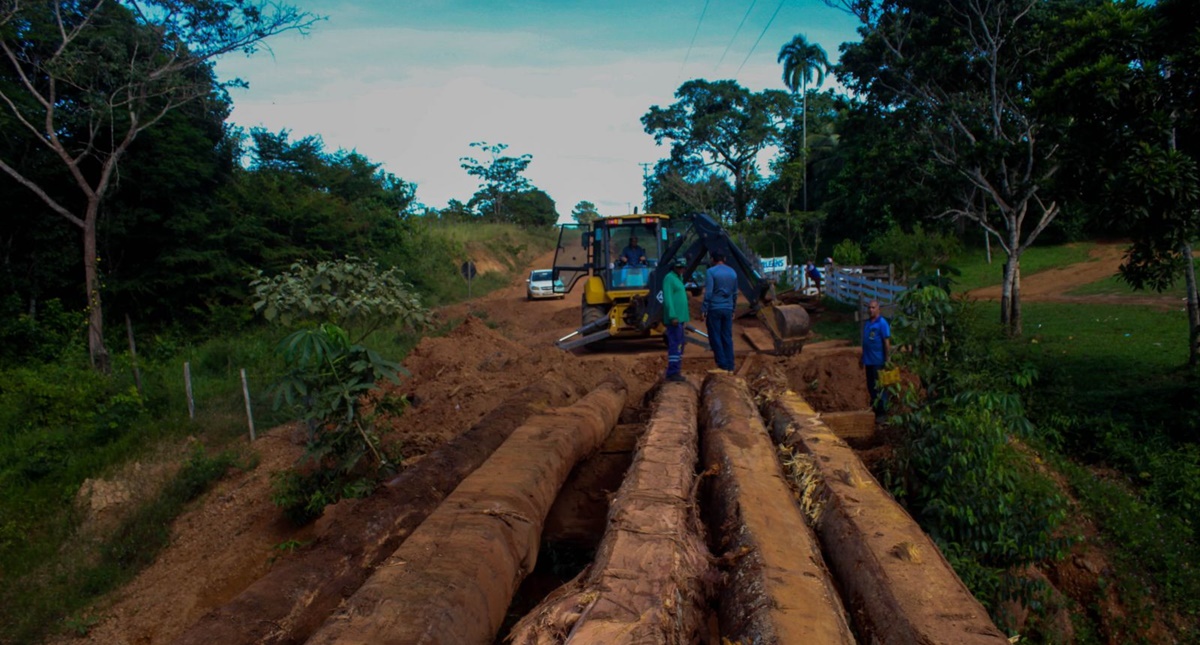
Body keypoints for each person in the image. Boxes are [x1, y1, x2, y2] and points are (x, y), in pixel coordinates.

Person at [702, 251, 738, 372]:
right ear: (724, 259)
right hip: (728, 308)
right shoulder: (732, 272)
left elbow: (708, 292)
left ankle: (722, 365)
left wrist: (704, 308)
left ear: (712, 259)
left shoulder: (711, 272)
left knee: (715, 336)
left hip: (715, 308)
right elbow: (735, 293)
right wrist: (733, 308)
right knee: (727, 336)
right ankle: (730, 365)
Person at [861, 299, 892, 418]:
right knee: (870, 386)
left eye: (873, 308)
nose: (871, 310)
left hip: (878, 361)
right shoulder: (868, 323)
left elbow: (886, 342)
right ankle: (875, 407)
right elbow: (866, 342)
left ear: (879, 309)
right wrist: (862, 357)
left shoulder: (882, 323)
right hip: (868, 361)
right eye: (869, 307)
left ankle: (882, 412)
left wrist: (887, 358)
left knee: (880, 387)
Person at [662, 256, 690, 382]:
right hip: (674, 319)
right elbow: (668, 299)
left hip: (680, 319)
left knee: (680, 345)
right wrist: (672, 316)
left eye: (682, 268)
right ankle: (672, 372)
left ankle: (676, 370)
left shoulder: (679, 278)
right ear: (674, 267)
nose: (681, 270)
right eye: (679, 267)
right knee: (675, 345)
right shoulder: (669, 278)